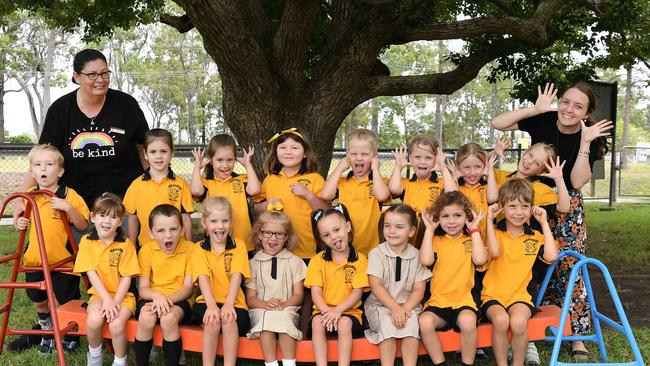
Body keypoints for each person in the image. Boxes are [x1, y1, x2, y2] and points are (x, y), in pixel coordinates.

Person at [491, 82, 612, 359]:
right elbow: (498, 123)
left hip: (565, 206)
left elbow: (577, 182)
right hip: (529, 201)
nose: (568, 109)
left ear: (587, 112)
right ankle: (533, 329)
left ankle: (576, 335)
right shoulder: (545, 118)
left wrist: (584, 142)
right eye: (566, 101)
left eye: (578, 106)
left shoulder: (589, 135)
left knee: (570, 268)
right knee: (530, 264)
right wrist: (535, 108)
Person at [13, 48, 149, 220]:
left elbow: (144, 149)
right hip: (75, 208)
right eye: (92, 74)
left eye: (104, 73)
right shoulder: (60, 110)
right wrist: (21, 198)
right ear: (76, 77)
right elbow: (42, 158)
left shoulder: (126, 105)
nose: (100, 80)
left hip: (123, 206)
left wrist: (157, 183)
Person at [9, 145, 89, 353]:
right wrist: (20, 223)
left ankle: (70, 335)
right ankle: (47, 332)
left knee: (65, 300)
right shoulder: (30, 196)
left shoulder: (68, 195)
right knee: (39, 300)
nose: (43, 169)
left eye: (49, 164)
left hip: (62, 261)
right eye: (37, 165)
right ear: (32, 172)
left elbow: (83, 225)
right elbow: (23, 219)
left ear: (60, 171)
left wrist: (68, 208)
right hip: (34, 259)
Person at [481, 179, 558, 366]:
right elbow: (493, 253)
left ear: (532, 208)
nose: (518, 212)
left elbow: (551, 256)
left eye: (525, 206)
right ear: (502, 208)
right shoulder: (494, 233)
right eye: (512, 206)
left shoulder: (535, 236)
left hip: (520, 296)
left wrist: (544, 223)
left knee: (517, 322)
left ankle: (517, 363)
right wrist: (489, 221)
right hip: (492, 295)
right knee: (500, 320)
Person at [419, 192, 488, 366]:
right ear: (438, 218)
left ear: (467, 216)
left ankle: (467, 363)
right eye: (445, 216)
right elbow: (426, 261)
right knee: (424, 321)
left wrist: (474, 230)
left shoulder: (471, 239)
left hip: (465, 301)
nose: (451, 221)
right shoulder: (436, 240)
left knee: (468, 321)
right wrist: (429, 229)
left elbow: (480, 260)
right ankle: (440, 363)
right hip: (438, 302)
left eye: (457, 215)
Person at [73, 193, 140, 366]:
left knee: (116, 324)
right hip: (99, 295)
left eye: (113, 217)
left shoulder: (125, 245)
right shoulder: (86, 242)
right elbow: (91, 274)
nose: (107, 221)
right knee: (94, 320)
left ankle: (120, 360)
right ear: (93, 217)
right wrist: (107, 301)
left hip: (123, 297)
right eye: (102, 215)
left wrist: (115, 302)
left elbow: (127, 278)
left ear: (120, 221)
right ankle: (95, 354)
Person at [364, 205, 431, 366]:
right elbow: (376, 286)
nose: (391, 231)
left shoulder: (417, 256)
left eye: (399, 227)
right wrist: (395, 308)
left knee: (411, 329)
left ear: (412, 231)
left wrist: (405, 308)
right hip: (381, 305)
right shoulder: (377, 254)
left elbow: (418, 289)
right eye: (387, 226)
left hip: (409, 305)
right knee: (387, 328)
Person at [191, 197, 251, 366]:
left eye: (225, 220)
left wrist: (229, 304)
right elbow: (203, 278)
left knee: (229, 319)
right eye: (214, 221)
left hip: (235, 304)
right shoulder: (198, 249)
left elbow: (236, 276)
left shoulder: (238, 245)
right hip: (207, 302)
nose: (220, 226)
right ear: (204, 223)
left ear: (231, 222)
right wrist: (211, 306)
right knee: (212, 321)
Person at [306, 205, 369, 366]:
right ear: (322, 239)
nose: (333, 237)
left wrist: (338, 311)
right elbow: (316, 293)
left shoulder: (360, 260)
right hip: (323, 311)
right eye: (326, 235)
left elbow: (357, 293)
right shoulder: (317, 261)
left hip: (349, 313)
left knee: (344, 323)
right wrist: (327, 311)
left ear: (347, 227)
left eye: (337, 230)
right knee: (316, 323)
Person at [245, 203, 307, 366]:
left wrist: (284, 305)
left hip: (287, 308)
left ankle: (289, 363)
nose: (273, 238)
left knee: (284, 319)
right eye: (267, 233)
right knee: (266, 323)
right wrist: (266, 304)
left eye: (279, 234)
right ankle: (271, 364)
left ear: (287, 237)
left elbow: (299, 295)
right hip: (261, 309)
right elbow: (251, 299)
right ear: (259, 234)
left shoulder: (294, 262)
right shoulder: (252, 264)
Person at [255, 128, 329, 260]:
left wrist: (308, 195)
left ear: (305, 153)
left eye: (294, 148)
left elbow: (327, 211)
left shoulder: (315, 178)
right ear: (276, 152)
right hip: (275, 248)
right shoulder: (270, 180)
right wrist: (267, 204)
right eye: (283, 147)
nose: (288, 152)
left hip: (305, 249)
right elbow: (257, 210)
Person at [134, 205, 194, 366]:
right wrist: (157, 297)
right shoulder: (146, 251)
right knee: (146, 317)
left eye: (174, 229)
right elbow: (143, 288)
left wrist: (165, 300)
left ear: (182, 230)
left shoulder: (191, 250)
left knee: (168, 319)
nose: (168, 235)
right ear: (151, 234)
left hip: (179, 299)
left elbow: (188, 288)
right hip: (152, 298)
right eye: (160, 231)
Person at [321, 129, 391, 255]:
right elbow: (326, 195)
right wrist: (339, 168)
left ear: (374, 156)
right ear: (347, 155)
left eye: (365, 154)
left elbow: (382, 196)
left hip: (373, 249)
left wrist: (376, 168)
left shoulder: (379, 181)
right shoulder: (342, 182)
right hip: (346, 247)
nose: (359, 158)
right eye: (353, 154)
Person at [190, 134, 261, 254]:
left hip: (243, 243)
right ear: (211, 161)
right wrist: (197, 167)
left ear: (235, 160)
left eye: (230, 160)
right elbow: (196, 191)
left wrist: (248, 165)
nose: (225, 165)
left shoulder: (240, 180)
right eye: (219, 160)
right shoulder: (207, 183)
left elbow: (254, 190)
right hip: (216, 243)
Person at [124, 129, 194, 246]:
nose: (158, 156)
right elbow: (132, 218)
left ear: (171, 153)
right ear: (145, 154)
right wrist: (132, 246)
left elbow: (185, 218)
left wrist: (189, 246)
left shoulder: (181, 185)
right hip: (147, 248)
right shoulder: (136, 185)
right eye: (153, 152)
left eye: (163, 151)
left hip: (176, 248)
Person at [389, 135, 457, 244]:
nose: (423, 162)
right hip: (409, 237)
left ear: (436, 159)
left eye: (428, 158)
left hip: (432, 236)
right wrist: (398, 166)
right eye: (417, 157)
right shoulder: (407, 183)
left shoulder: (441, 183)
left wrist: (443, 168)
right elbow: (394, 189)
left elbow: (453, 194)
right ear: (410, 158)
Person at [487, 142, 570, 230]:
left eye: (537, 163)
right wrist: (494, 152)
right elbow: (478, 165)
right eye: (530, 155)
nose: (530, 162)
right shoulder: (499, 176)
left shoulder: (540, 189)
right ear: (525, 152)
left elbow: (563, 208)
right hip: (498, 236)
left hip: (523, 239)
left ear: (541, 172)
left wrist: (559, 179)